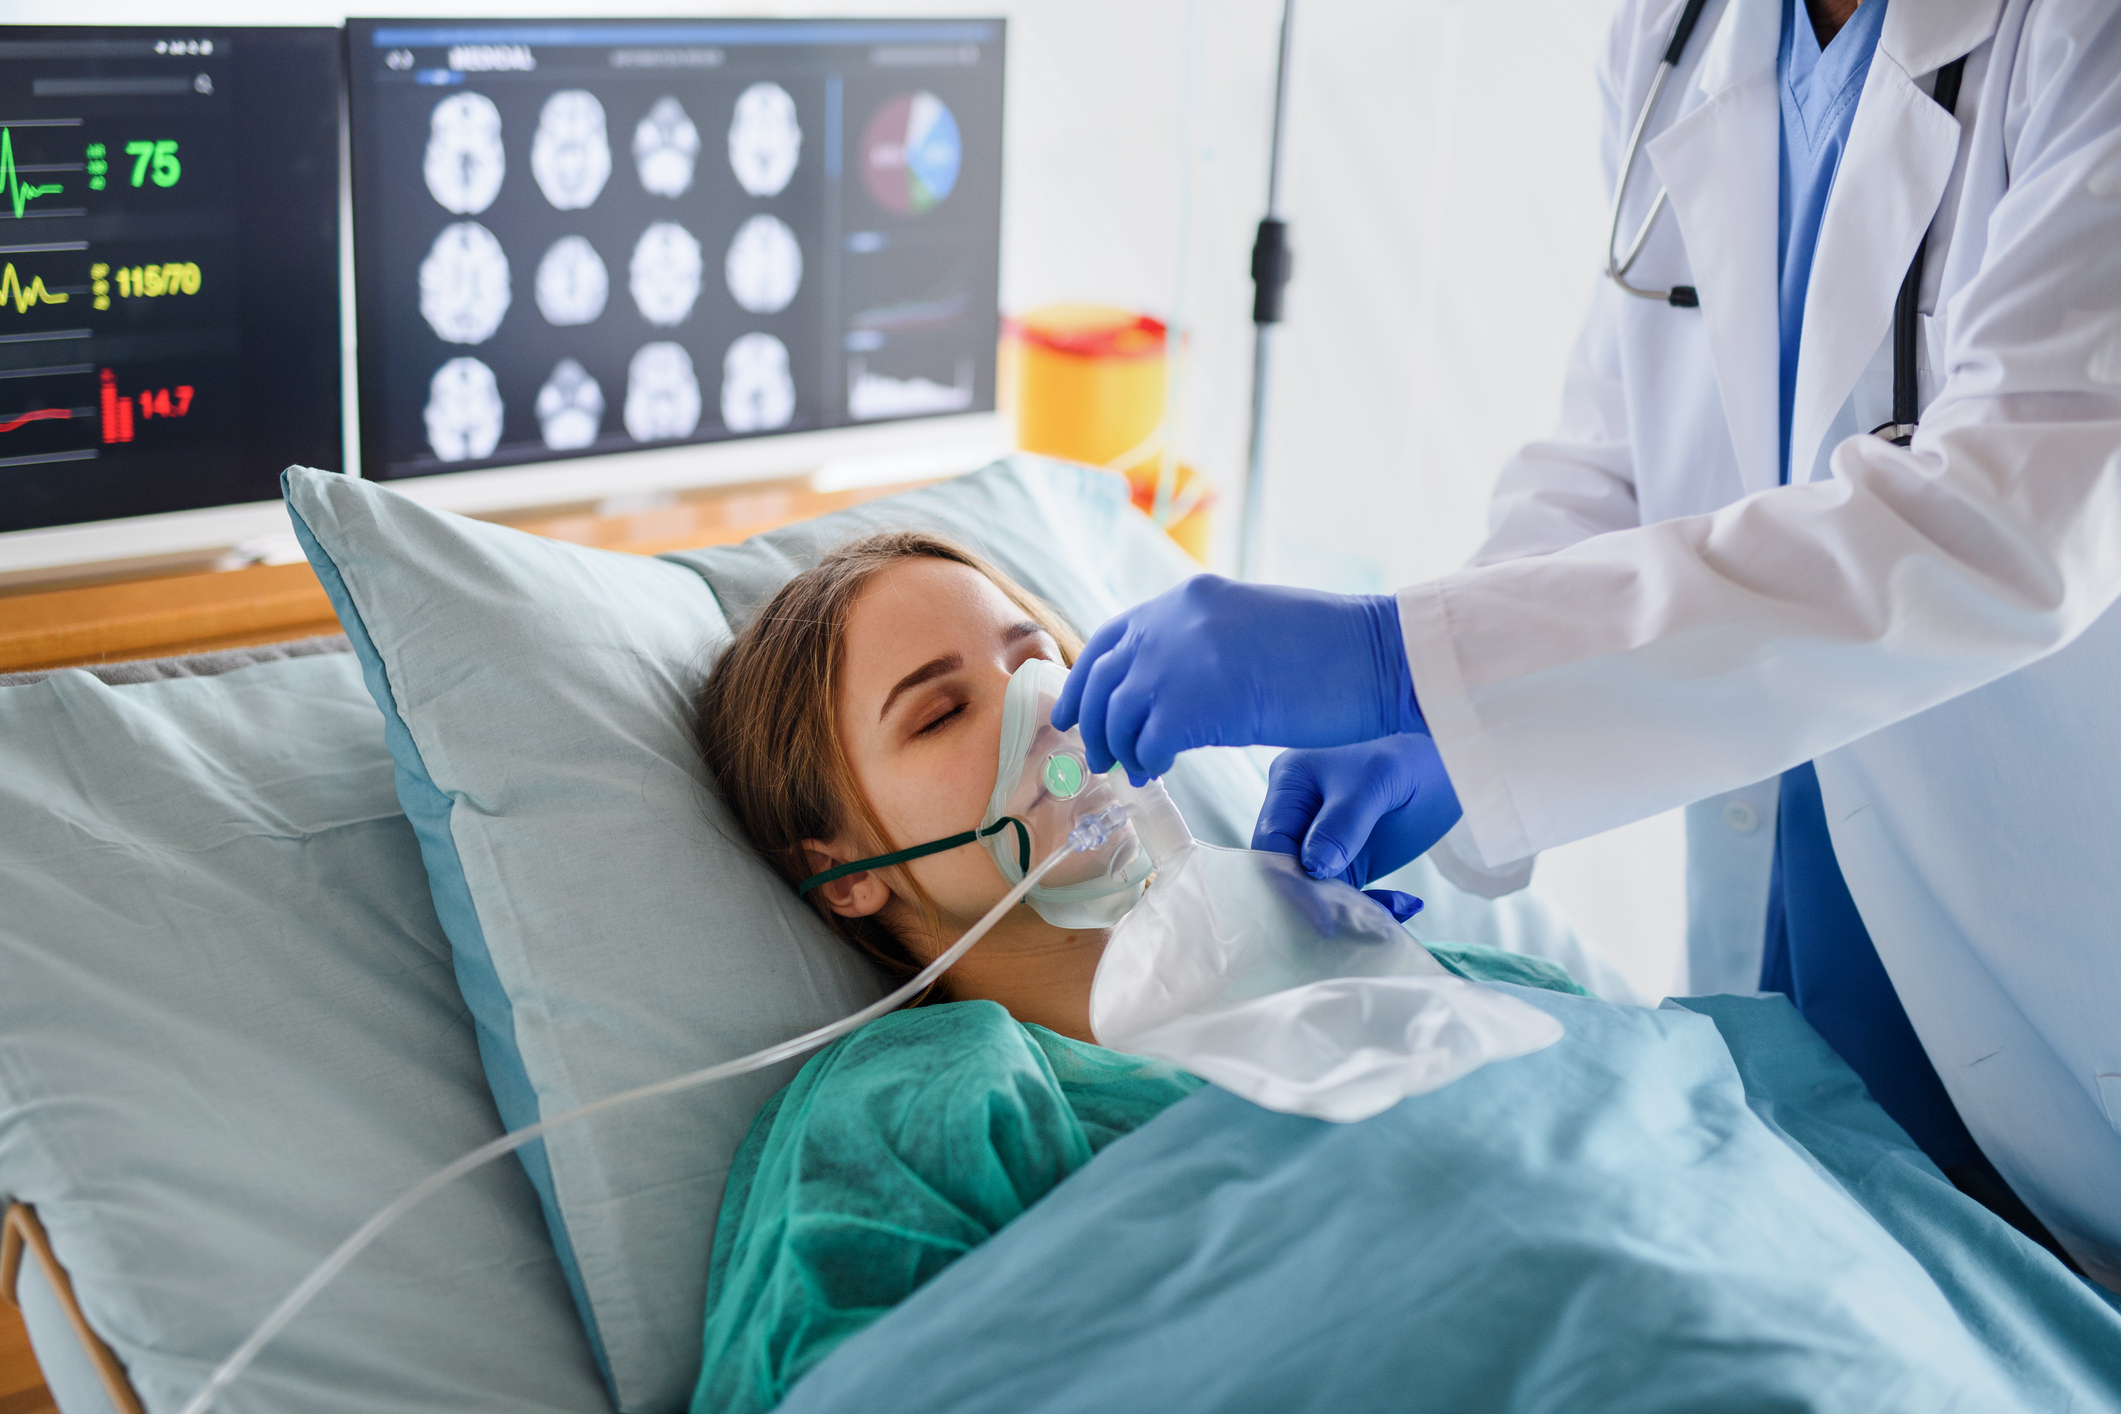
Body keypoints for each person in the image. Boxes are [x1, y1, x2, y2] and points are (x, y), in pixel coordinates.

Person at [1053, 0, 2121, 1291]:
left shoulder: (2080, 41)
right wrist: (1438, 712)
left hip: (2062, 978)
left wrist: (1407, 659)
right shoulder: (1684, 33)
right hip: (1795, 1048)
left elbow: (2005, 524)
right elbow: (1619, 447)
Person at [688, 531, 1585, 1411]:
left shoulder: (1392, 967)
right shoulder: (915, 1112)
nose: (1040, 704)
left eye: (1036, 656)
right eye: (942, 712)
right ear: (847, 872)